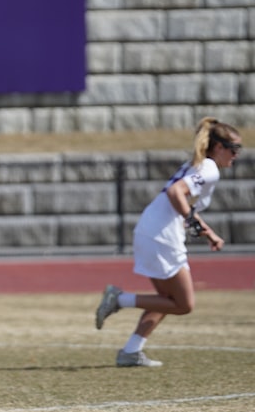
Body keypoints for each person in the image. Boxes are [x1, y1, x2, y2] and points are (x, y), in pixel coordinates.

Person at [95, 117, 241, 367]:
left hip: (150, 230)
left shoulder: (199, 166)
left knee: (166, 299)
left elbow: (183, 203)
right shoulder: (209, 168)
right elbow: (176, 194)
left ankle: (131, 351)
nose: (236, 156)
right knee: (184, 304)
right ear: (219, 147)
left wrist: (208, 233)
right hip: (162, 236)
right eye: (234, 149)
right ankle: (119, 299)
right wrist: (193, 223)